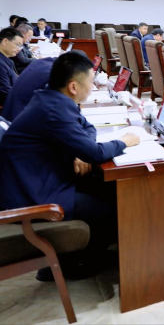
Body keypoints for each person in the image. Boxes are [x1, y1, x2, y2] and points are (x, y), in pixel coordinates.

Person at [0, 52, 139, 279]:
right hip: (32, 193)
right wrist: (125, 141)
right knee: (112, 209)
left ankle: (69, 256)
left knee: (106, 189)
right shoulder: (54, 109)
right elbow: (95, 152)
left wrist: (79, 151)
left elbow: (87, 128)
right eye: (91, 82)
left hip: (36, 179)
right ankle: (69, 264)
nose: (93, 87)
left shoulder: (50, 97)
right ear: (74, 86)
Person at [0, 27, 23, 105]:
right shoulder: (1, 64)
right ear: (5, 41)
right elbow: (5, 93)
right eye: (18, 45)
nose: (19, 49)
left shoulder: (7, 60)